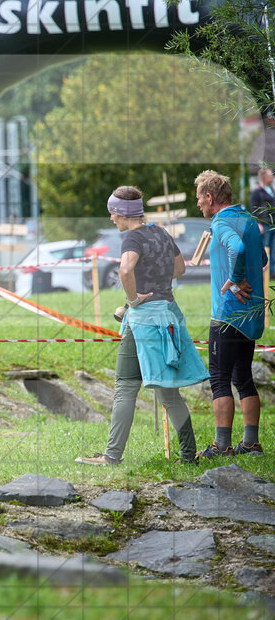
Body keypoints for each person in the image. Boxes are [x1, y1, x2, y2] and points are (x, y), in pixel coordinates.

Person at [75, 186, 206, 466]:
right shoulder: (160, 232)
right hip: (169, 316)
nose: (111, 219)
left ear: (122, 213)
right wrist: (157, 279)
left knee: (125, 386)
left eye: (113, 213)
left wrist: (133, 299)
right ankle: (188, 457)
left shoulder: (133, 237)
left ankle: (111, 457)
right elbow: (180, 268)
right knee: (169, 392)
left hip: (144, 320)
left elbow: (125, 270)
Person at [195, 170, 266, 458]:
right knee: (243, 377)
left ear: (210, 197)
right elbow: (260, 257)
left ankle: (222, 445)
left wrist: (235, 278)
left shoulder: (222, 222)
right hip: (250, 315)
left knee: (219, 378)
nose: (198, 203)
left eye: (199, 198)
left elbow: (235, 248)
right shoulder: (247, 219)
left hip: (227, 314)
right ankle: (251, 443)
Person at [249, 165, 275, 266]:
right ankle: (264, 272)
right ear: (263, 177)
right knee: (265, 248)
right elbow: (253, 209)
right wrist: (258, 223)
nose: (272, 177)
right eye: (270, 175)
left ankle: (272, 273)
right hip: (264, 225)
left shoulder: (272, 190)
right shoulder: (257, 192)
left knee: (273, 250)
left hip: (273, 225)